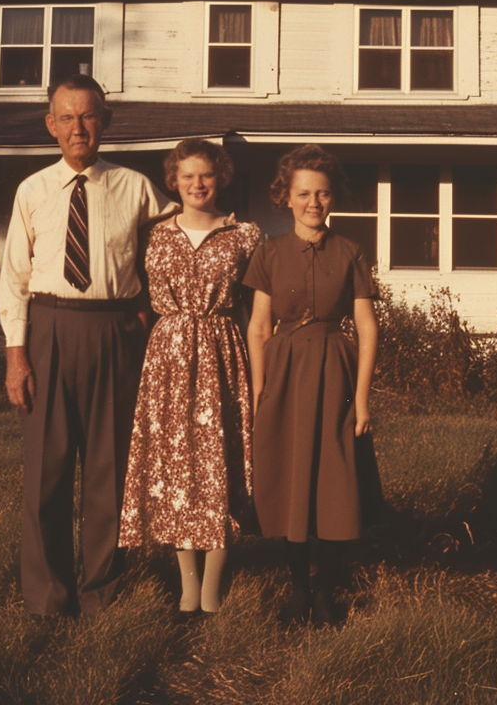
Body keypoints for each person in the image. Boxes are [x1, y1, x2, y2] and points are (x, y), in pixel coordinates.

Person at [0, 74, 173, 618]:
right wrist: (17, 354)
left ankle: (102, 593)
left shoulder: (136, 187)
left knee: (110, 470)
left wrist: (149, 304)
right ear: (51, 125)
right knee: (47, 473)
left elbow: (174, 241)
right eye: (67, 118)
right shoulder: (32, 190)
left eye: (89, 116)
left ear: (106, 122)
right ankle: (48, 599)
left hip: (116, 333)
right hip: (49, 329)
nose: (79, 128)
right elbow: (14, 279)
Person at [243, 144, 386, 626]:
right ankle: (297, 592)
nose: (313, 202)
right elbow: (259, 327)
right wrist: (260, 392)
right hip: (283, 377)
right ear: (286, 196)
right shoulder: (269, 251)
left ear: (333, 197)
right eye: (303, 193)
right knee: (290, 483)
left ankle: (326, 593)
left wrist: (361, 398)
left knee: (334, 484)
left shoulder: (350, 252)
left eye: (322, 194)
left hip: (334, 375)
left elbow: (366, 326)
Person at [119, 139, 262, 616]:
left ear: (220, 178)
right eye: (188, 176)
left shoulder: (244, 235)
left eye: (206, 175)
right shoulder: (154, 235)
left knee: (218, 465)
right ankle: (186, 587)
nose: (198, 184)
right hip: (170, 356)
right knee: (178, 468)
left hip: (223, 350)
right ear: (173, 182)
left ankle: (213, 590)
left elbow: (257, 308)